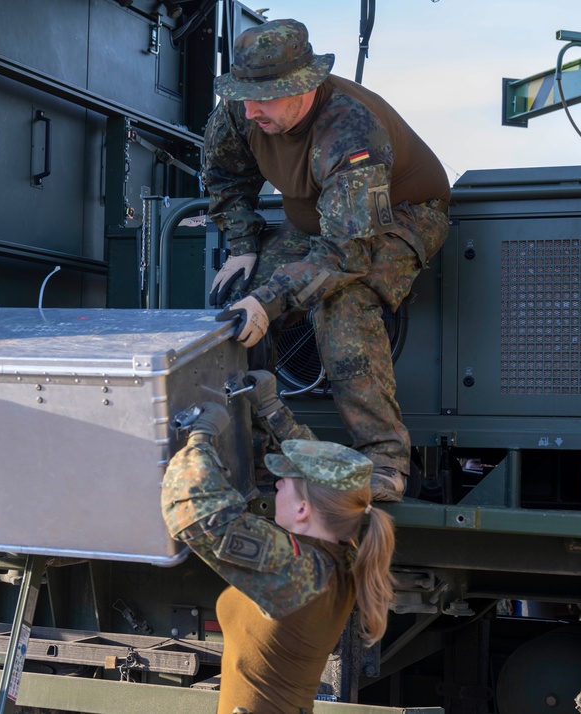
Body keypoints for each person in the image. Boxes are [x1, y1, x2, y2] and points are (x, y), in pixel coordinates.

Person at [204, 19, 451, 501]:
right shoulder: (242, 109)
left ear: (303, 87)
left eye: (266, 96)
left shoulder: (351, 127)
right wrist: (244, 245)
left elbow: (345, 255)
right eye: (244, 95)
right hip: (316, 220)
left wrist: (270, 298)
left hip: (402, 215)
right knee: (238, 309)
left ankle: (384, 460)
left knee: (344, 300)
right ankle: (256, 451)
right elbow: (223, 175)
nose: (251, 110)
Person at [161, 395, 396, 714]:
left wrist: (200, 437)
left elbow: (193, 512)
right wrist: (273, 409)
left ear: (303, 509)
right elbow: (329, 473)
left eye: (285, 482)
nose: (278, 485)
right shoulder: (339, 559)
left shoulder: (300, 570)